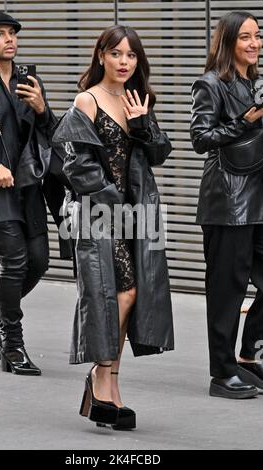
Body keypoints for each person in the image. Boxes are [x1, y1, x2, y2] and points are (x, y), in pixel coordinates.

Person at [52, 25, 174, 429]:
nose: (124, 62)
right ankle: (100, 375)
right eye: (117, 54)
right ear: (101, 55)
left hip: (137, 214)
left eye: (132, 55)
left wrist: (142, 124)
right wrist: (111, 199)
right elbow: (75, 164)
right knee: (121, 294)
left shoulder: (138, 99)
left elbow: (158, 154)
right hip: (98, 213)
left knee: (133, 295)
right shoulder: (86, 100)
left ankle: (109, 384)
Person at [0, 11, 56, 375]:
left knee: (39, 261)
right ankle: (11, 345)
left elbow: (50, 131)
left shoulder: (28, 80)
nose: (9, 39)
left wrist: (42, 108)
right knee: (15, 263)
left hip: (29, 186)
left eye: (12, 33)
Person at [190, 10, 263, 399]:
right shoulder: (210, 84)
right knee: (226, 291)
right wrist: (246, 121)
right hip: (228, 202)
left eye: (258, 36)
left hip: (260, 198)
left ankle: (248, 356)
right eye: (245, 37)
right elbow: (200, 138)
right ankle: (222, 372)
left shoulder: (257, 83)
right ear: (229, 42)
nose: (254, 43)